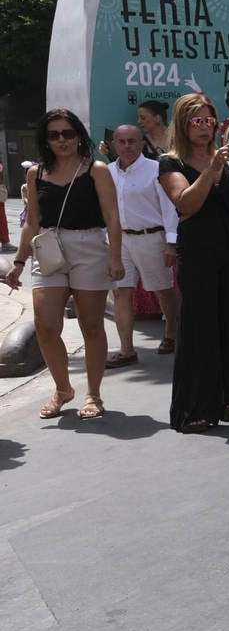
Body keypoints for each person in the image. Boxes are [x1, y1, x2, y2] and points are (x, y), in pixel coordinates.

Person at [4, 109, 123, 420]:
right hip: (48, 248)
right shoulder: (36, 173)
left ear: (78, 135)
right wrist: (18, 261)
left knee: (91, 325)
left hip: (89, 247)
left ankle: (93, 394)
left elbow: (112, 217)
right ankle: (63, 389)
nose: (61, 140)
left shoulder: (96, 169)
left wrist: (115, 257)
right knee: (45, 326)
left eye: (68, 133)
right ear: (46, 139)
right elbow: (31, 222)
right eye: (54, 134)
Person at [157, 94, 229, 431]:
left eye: (209, 119)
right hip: (198, 250)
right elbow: (187, 204)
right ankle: (197, 404)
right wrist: (211, 170)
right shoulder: (170, 162)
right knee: (200, 326)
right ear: (183, 124)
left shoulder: (223, 158)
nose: (204, 126)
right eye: (196, 120)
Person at [106, 124, 180, 368]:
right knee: (121, 292)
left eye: (132, 141)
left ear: (141, 143)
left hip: (152, 238)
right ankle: (126, 349)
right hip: (119, 241)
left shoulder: (157, 169)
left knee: (163, 289)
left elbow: (170, 207)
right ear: (114, 144)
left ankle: (171, 330)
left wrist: (171, 241)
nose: (127, 146)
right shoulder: (106, 173)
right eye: (121, 141)